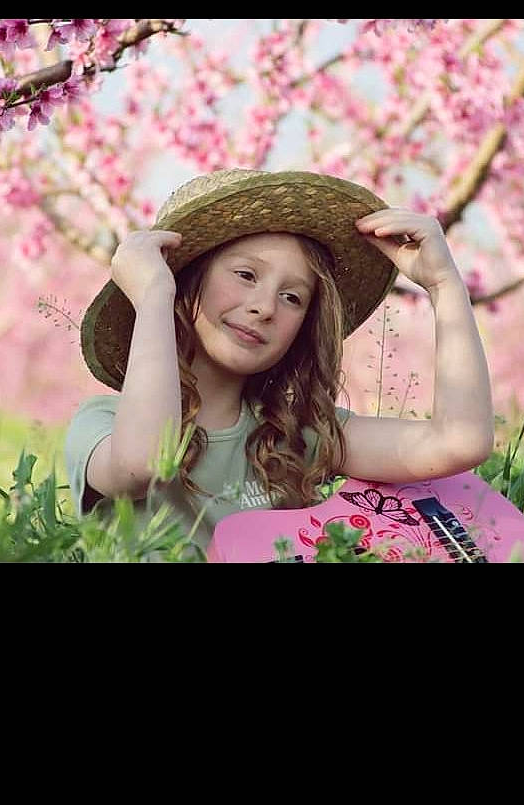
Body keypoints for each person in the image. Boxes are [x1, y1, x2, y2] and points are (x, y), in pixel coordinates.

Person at [65, 168, 495, 559]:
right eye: (246, 275)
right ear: (185, 283)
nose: (266, 307)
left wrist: (444, 285)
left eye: (292, 297)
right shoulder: (101, 424)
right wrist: (155, 294)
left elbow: (459, 442)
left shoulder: (294, 434)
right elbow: (144, 463)